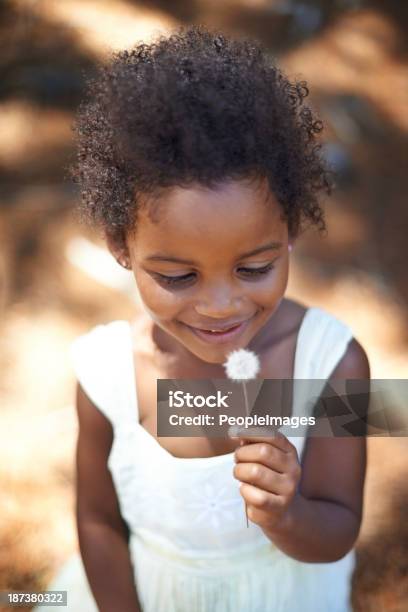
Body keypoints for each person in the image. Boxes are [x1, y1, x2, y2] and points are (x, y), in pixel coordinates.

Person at [37, 24, 370, 612]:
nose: (221, 306)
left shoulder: (335, 365)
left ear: (290, 229)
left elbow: (339, 529)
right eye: (178, 277)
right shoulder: (107, 376)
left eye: (254, 267)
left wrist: (286, 515)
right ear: (121, 246)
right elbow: (97, 522)